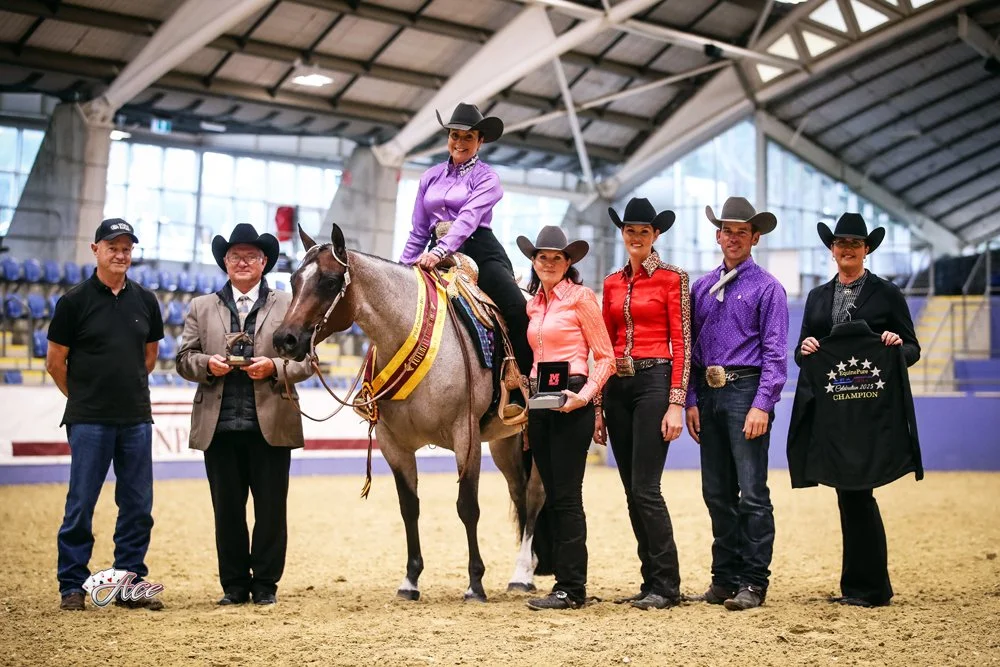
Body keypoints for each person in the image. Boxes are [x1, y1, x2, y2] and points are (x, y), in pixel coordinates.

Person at [175, 224, 312, 606]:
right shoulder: (201, 307)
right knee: (227, 512)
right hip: (218, 426)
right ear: (225, 262)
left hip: (270, 422)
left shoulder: (289, 303)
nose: (242, 262)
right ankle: (234, 586)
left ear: (264, 261)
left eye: (251, 256)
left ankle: (266, 585)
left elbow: (307, 360)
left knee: (271, 511)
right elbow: (183, 360)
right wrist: (207, 364)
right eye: (235, 256)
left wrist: (274, 367)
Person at [790, 213, 921, 608]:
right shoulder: (816, 297)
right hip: (833, 411)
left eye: (855, 243)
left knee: (857, 493)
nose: (847, 248)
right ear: (831, 249)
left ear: (867, 249)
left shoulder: (887, 294)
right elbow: (801, 352)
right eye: (840, 242)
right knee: (849, 495)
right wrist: (806, 349)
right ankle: (859, 586)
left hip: (869, 410)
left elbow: (912, 349)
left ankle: (871, 588)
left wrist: (896, 344)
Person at [46, 218, 165, 611]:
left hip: (135, 418)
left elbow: (149, 356)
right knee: (81, 503)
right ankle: (71, 585)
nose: (121, 254)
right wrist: (83, 400)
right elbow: (55, 361)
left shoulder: (146, 301)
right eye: (113, 246)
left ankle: (128, 583)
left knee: (137, 506)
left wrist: (122, 391)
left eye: (127, 248)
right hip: (89, 419)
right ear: (95, 249)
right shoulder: (74, 301)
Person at [685, 197, 788, 611]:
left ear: (754, 238)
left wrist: (763, 403)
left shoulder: (768, 288)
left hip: (746, 391)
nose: (733, 238)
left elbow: (776, 353)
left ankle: (753, 581)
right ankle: (724, 579)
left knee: (753, 492)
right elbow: (691, 348)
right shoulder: (700, 288)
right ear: (718, 235)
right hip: (708, 393)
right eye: (727, 230)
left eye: (741, 232)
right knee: (717, 492)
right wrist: (691, 397)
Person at [399, 103, 532, 392]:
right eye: (455, 136)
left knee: (519, 310)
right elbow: (419, 230)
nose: (459, 143)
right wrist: (401, 268)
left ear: (480, 141)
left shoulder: (487, 179)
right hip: (436, 250)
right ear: (448, 137)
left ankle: (523, 384)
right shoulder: (430, 177)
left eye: (468, 137)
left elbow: (468, 220)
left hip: (479, 250)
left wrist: (438, 252)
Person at [515, 226, 614, 611]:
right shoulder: (533, 305)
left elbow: (604, 357)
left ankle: (572, 588)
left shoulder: (581, 298)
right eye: (543, 257)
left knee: (568, 497)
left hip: (572, 396)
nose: (550, 263)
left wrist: (585, 397)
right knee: (552, 496)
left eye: (557, 257)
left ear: (568, 262)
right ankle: (562, 581)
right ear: (534, 261)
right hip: (541, 398)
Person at [599, 198, 691, 610]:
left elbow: (684, 344)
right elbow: (603, 344)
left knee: (646, 487)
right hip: (617, 385)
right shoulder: (611, 282)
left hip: (655, 379)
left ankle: (667, 584)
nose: (636, 237)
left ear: (655, 236)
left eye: (643, 231)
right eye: (629, 230)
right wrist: (599, 404)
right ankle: (650, 581)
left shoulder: (674, 279)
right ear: (623, 234)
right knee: (630, 490)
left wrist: (676, 402)